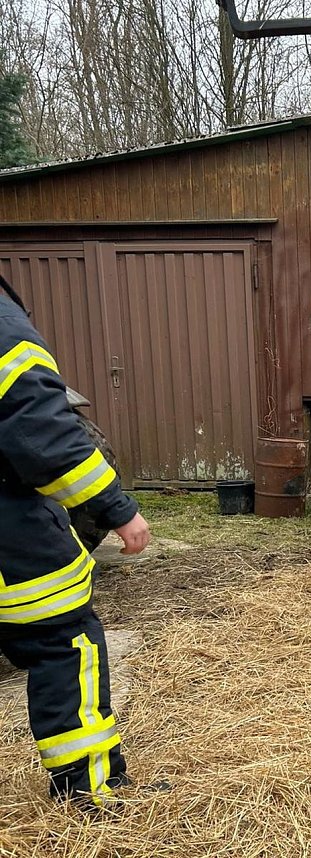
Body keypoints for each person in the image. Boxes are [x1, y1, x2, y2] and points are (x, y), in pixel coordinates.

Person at [0, 276, 150, 807]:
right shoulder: (2, 325)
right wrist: (117, 510)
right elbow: (40, 430)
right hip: (11, 534)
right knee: (64, 643)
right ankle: (88, 790)